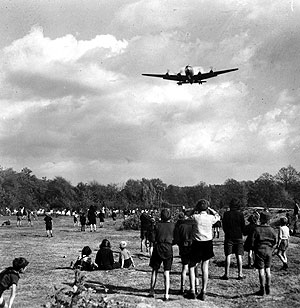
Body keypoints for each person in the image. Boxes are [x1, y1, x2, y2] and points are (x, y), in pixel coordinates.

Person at [185, 200, 220, 301]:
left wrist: (194, 209)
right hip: (207, 243)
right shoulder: (211, 218)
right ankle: (203, 291)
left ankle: (192, 290)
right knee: (205, 268)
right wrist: (211, 209)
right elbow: (218, 216)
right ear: (207, 208)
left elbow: (186, 216)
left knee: (192, 266)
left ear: (198, 208)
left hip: (197, 243)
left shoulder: (195, 217)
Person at [148, 208, 175, 301]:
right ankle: (166, 294)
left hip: (158, 247)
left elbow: (152, 238)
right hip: (168, 247)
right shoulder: (173, 226)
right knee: (166, 272)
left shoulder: (157, 225)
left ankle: (151, 290)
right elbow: (175, 238)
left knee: (154, 270)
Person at [251, 211, 277, 296]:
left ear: (260, 219)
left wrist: (253, 248)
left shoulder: (256, 229)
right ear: (269, 220)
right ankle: (268, 287)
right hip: (269, 250)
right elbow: (275, 241)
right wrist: (271, 248)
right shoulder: (272, 230)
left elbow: (252, 241)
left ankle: (262, 289)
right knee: (268, 270)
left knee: (261, 271)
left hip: (259, 250)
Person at [221, 198, 245, 280]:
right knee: (239, 255)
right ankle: (240, 274)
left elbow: (223, 226)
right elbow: (243, 226)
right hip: (238, 236)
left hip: (229, 236)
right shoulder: (240, 214)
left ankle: (226, 274)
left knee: (228, 255)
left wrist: (226, 232)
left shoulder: (226, 214)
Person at [173, 211, 195, 295]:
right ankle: (194, 288)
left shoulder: (180, 225)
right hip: (192, 246)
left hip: (183, 247)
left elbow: (177, 239)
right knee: (194, 268)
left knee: (184, 267)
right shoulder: (193, 224)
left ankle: (182, 287)